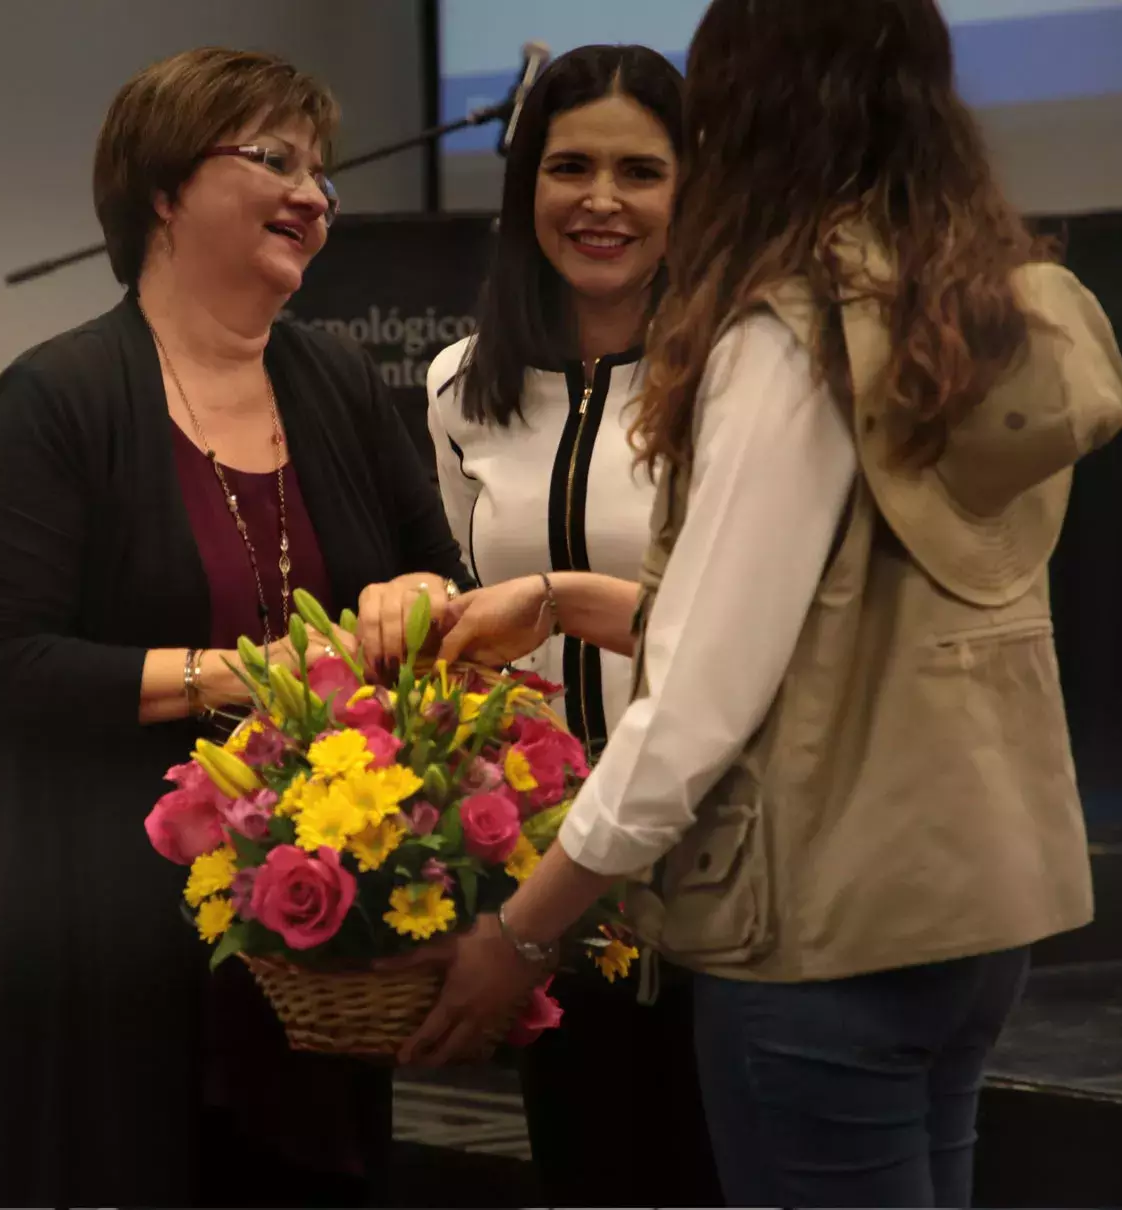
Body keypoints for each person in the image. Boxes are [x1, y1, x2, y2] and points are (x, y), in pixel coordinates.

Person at [400, 2, 1122, 1207]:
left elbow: (695, 706)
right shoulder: (958, 308)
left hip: (819, 932)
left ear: (749, 110)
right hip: (974, 911)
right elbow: (834, 616)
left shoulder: (787, 337)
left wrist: (522, 934)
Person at [0, 47, 468, 1208]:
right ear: (164, 192)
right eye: (275, 159)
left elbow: (442, 580)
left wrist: (419, 603)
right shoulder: (58, 397)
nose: (314, 195)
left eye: (322, 172)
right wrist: (252, 678)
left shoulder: (335, 383)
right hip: (100, 955)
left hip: (301, 951)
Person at [422, 44, 722, 1209]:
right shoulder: (458, 384)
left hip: (720, 876)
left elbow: (757, 639)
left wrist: (565, 600)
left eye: (641, 171)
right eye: (570, 167)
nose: (601, 201)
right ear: (524, 190)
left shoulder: (736, 376)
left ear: (693, 189)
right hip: (547, 888)